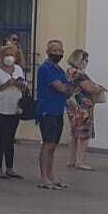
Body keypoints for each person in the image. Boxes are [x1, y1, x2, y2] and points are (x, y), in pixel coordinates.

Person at [35, 39, 74, 189]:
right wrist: (71, 83)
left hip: (58, 111)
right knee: (47, 144)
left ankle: (51, 176)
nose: (58, 53)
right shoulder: (45, 68)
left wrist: (70, 85)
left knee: (53, 146)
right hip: (47, 111)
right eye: (55, 50)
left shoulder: (59, 69)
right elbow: (62, 88)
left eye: (60, 50)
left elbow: (68, 90)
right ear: (48, 51)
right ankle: (44, 178)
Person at [0, 50, 27, 179]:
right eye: (7, 55)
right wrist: (5, 85)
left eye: (12, 55)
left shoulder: (18, 69)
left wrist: (20, 84)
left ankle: (9, 167)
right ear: (1, 57)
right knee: (2, 137)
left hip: (15, 107)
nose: (10, 57)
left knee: (10, 138)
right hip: (0, 108)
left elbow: (24, 85)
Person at [66, 48, 105, 171]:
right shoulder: (78, 74)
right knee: (83, 135)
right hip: (82, 107)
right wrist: (99, 88)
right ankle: (80, 161)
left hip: (72, 106)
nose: (87, 63)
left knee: (74, 134)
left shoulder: (68, 71)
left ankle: (71, 160)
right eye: (86, 60)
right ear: (79, 60)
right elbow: (89, 88)